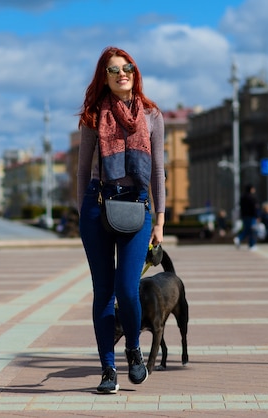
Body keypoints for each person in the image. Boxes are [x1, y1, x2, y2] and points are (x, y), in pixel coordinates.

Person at [77, 46, 165, 394]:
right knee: (103, 292)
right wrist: (83, 212)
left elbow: (158, 170)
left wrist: (159, 219)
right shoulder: (92, 116)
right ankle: (107, 369)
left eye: (127, 67)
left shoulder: (152, 115)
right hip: (98, 205)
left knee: (128, 291)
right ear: (105, 76)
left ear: (135, 72)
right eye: (114, 69)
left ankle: (132, 348)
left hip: (137, 207)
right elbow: (83, 170)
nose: (122, 73)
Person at [233, 184, 259, 251]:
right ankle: (251, 245)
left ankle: (239, 238)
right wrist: (257, 216)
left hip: (244, 216)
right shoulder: (252, 198)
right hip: (251, 216)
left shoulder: (243, 197)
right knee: (252, 231)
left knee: (247, 229)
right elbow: (254, 208)